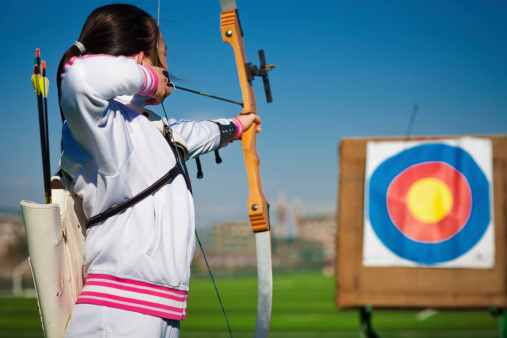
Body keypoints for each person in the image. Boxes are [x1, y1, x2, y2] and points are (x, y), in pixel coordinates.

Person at [57, 4, 261, 337]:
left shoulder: (150, 129)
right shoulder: (100, 127)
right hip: (118, 315)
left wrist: (239, 125)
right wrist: (151, 81)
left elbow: (196, 133)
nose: (167, 70)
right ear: (139, 61)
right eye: (161, 56)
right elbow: (78, 77)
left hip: (158, 313)